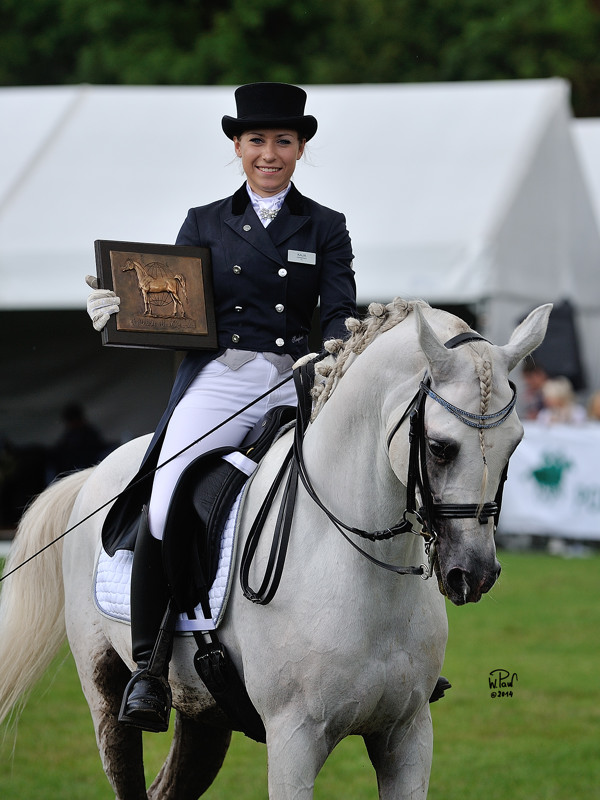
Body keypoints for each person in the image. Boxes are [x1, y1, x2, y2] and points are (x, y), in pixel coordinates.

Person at [86, 82, 357, 732]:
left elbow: (340, 309)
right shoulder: (205, 221)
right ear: (238, 146)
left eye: (283, 141)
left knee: (368, 473)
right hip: (225, 374)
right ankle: (150, 667)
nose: (270, 153)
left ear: (300, 149)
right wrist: (118, 311)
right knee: (168, 487)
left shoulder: (326, 225)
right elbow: (174, 306)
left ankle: (398, 649)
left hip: (298, 373)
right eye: (258, 140)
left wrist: (341, 349)